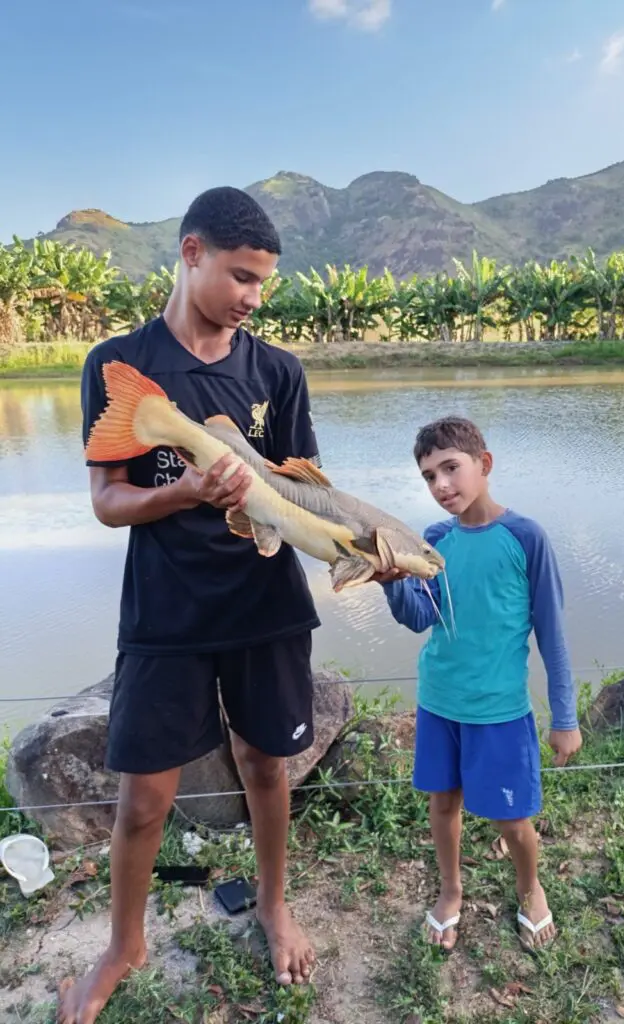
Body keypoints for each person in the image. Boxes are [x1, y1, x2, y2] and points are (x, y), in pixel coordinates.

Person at [59, 187, 322, 1024]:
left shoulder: (276, 372)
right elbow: (107, 500)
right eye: (241, 276)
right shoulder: (119, 365)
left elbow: (305, 493)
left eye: (263, 285)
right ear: (191, 253)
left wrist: (366, 553)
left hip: (264, 602)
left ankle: (274, 904)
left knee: (265, 767)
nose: (252, 297)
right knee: (142, 799)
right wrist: (191, 495)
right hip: (167, 613)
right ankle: (123, 944)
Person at [374, 415, 583, 952]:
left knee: (513, 821)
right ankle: (450, 890)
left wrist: (564, 718)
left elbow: (552, 636)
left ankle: (530, 889)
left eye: (451, 468)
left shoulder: (525, 537)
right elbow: (422, 616)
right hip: (439, 701)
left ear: (483, 465)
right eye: (428, 476)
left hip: (500, 710)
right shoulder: (436, 540)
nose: (441, 485)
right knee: (443, 805)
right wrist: (391, 581)